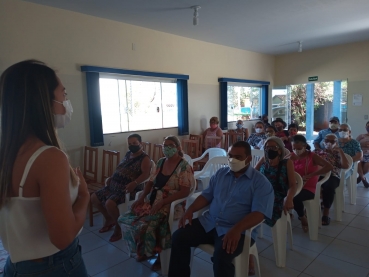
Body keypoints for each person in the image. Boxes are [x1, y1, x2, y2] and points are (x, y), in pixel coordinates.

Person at [0, 60, 89, 276]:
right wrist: (85, 196)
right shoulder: (49, 157)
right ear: (42, 101)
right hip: (54, 266)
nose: (66, 102)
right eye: (63, 94)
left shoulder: (7, 151)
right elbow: (63, 237)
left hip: (17, 264)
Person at [168, 141, 274, 277]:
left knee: (221, 258)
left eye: (238, 157)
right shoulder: (220, 174)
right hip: (210, 222)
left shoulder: (260, 183)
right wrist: (190, 210)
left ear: (249, 159)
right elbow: (206, 196)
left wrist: (237, 229)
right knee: (178, 237)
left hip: (236, 230)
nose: (232, 159)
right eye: (230, 155)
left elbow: (259, 213)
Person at [119, 135, 195, 271]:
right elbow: (150, 182)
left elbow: (184, 192)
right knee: (127, 219)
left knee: (149, 225)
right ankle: (144, 250)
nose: (167, 148)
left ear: (178, 148)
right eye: (165, 145)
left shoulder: (184, 167)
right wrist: (142, 197)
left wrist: (163, 202)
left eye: (171, 146)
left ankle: (160, 256)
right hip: (153, 201)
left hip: (171, 205)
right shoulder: (160, 162)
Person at [90, 134, 151, 242]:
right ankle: (109, 219)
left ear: (140, 143)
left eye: (135, 143)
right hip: (113, 186)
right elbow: (120, 168)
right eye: (130, 144)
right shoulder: (128, 154)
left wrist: (134, 183)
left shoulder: (144, 158)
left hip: (128, 189)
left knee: (110, 203)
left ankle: (118, 227)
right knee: (94, 197)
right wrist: (112, 178)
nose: (132, 146)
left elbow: (146, 174)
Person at [290, 135, 333, 232]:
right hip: (295, 185)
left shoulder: (312, 156)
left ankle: (302, 217)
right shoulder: (291, 156)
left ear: (305, 146)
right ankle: (287, 215)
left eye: (299, 148)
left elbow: (329, 167)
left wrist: (313, 174)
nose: (296, 150)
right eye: (294, 148)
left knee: (294, 197)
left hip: (308, 187)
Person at [255, 137, 297, 228]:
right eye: (267, 147)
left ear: (280, 150)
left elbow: (293, 184)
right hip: (262, 193)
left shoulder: (287, 163)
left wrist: (289, 198)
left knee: (265, 206)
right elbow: (253, 174)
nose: (270, 150)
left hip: (277, 195)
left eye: (274, 147)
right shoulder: (263, 160)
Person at [313, 134, 349, 225]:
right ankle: (307, 209)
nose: (329, 143)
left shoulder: (338, 154)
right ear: (323, 141)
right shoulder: (317, 152)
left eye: (332, 141)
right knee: (308, 184)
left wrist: (340, 151)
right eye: (326, 140)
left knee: (328, 187)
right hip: (317, 174)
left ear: (336, 143)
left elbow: (345, 166)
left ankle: (326, 212)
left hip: (332, 175)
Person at [356, 121, 369, 187]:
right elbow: (354, 144)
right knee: (358, 163)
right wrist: (361, 144)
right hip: (360, 153)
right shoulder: (361, 136)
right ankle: (363, 179)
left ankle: (360, 177)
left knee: (367, 165)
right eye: (368, 126)